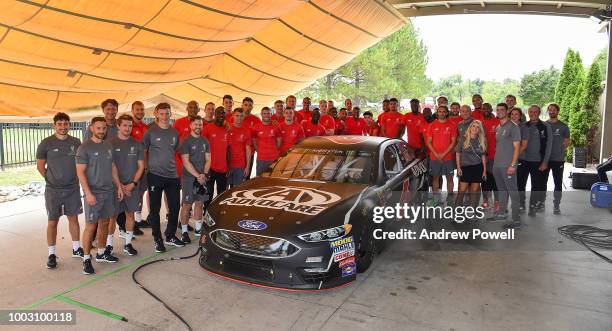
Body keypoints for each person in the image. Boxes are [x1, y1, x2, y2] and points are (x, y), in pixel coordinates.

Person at [76, 117, 124, 275]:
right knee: (90, 226)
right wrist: (88, 193)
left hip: (108, 191)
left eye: (104, 128)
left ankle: (102, 253)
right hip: (93, 193)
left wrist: (118, 186)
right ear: (92, 128)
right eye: (98, 128)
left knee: (105, 222)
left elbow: (112, 167)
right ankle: (86, 258)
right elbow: (80, 172)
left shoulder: (108, 146)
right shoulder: (84, 148)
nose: (102, 131)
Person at [36, 112, 83, 269]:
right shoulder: (46, 143)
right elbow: (40, 166)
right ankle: (51, 254)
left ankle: (76, 248)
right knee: (52, 221)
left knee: (73, 219)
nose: (63, 127)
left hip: (72, 188)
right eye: (60, 124)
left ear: (69, 125)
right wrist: (51, 179)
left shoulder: (76, 142)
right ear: (54, 125)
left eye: (66, 123)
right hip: (53, 190)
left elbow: (82, 164)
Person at [143, 103, 184, 253]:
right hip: (155, 176)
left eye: (167, 114)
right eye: (162, 114)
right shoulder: (150, 132)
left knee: (174, 207)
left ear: (170, 114)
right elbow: (144, 151)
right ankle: (157, 240)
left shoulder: (174, 132)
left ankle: (170, 235)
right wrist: (147, 169)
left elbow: (174, 151)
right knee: (155, 209)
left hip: (172, 176)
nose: (165, 117)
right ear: (156, 114)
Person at [108, 114, 144, 256]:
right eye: (125, 125)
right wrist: (120, 187)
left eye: (130, 125)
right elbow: (109, 166)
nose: (128, 128)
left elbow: (141, 166)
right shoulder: (110, 143)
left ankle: (128, 244)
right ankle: (109, 246)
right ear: (118, 125)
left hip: (132, 187)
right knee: (112, 216)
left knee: (130, 215)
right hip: (115, 187)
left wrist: (132, 184)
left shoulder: (137, 144)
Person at [178, 116, 211, 243]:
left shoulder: (205, 141)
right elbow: (186, 162)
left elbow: (208, 160)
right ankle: (184, 232)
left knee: (199, 203)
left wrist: (204, 174)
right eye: (196, 124)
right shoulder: (186, 142)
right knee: (187, 205)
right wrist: (198, 176)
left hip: (202, 177)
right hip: (189, 178)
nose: (198, 127)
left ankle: (198, 229)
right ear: (190, 125)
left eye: (200, 125)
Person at [492, 103, 521, 228]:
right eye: (497, 110)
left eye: (502, 110)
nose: (499, 112)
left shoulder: (513, 127)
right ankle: (502, 213)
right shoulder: (498, 128)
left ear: (507, 111)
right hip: (497, 166)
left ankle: (516, 221)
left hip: (508, 166)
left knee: (513, 192)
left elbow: (517, 148)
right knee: (502, 191)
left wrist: (513, 165)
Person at [521, 105, 553, 216]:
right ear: (528, 113)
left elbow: (549, 145)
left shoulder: (545, 126)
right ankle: (521, 204)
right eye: (530, 111)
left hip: (538, 162)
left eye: (535, 111)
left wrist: (545, 162)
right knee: (521, 184)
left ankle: (532, 207)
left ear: (539, 113)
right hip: (523, 161)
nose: (532, 113)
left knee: (536, 186)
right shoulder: (523, 126)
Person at [425, 105, 457, 206]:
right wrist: (436, 154)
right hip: (435, 157)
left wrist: (443, 154)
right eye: (440, 111)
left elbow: (453, 142)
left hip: (448, 157)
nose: (442, 113)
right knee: (435, 178)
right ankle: (436, 200)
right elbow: (429, 142)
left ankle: (450, 200)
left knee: (450, 178)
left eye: (444, 111)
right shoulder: (432, 125)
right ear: (437, 113)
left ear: (447, 113)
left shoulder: (452, 125)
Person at [202, 107, 230, 210]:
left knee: (221, 193)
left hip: (223, 168)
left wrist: (229, 167)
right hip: (210, 167)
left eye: (223, 113)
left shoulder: (227, 129)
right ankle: (206, 211)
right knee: (208, 192)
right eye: (219, 113)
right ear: (215, 114)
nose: (221, 115)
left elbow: (228, 149)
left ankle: (218, 213)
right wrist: (205, 167)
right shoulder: (207, 128)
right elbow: (202, 148)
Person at [544, 103, 570, 215]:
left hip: (558, 160)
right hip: (545, 159)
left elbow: (567, 142)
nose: (551, 112)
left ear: (557, 111)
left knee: (557, 183)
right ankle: (541, 203)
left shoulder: (563, 126)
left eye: (554, 110)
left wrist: (558, 150)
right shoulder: (544, 125)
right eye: (550, 110)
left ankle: (556, 206)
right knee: (542, 183)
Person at [455, 120, 487, 208]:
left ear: (480, 130)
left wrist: (484, 170)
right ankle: (456, 211)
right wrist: (458, 168)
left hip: (478, 168)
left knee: (474, 190)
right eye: (473, 126)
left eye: (477, 127)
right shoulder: (463, 139)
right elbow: (458, 153)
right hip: (465, 168)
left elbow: (483, 156)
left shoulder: (481, 140)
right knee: (462, 190)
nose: (475, 128)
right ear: (470, 127)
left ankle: (472, 210)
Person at [128, 101, 149, 231]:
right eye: (137, 109)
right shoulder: (128, 126)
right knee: (131, 194)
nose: (140, 112)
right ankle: (129, 224)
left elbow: (148, 149)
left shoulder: (146, 128)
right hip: (131, 168)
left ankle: (138, 219)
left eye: (142, 109)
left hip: (144, 167)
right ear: (132, 110)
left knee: (141, 193)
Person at [481, 103, 501, 212]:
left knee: (495, 180)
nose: (486, 110)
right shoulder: (479, 122)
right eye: (484, 108)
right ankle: (485, 202)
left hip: (495, 157)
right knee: (484, 181)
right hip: (482, 157)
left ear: (491, 109)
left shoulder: (497, 122)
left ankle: (497, 202)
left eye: (488, 108)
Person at [252, 107, 281, 175]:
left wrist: (273, 150)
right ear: (261, 114)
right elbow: (254, 141)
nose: (266, 115)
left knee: (273, 178)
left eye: (268, 113)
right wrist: (259, 150)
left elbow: (279, 142)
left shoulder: (276, 126)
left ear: (271, 114)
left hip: (274, 158)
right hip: (261, 159)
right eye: (264, 113)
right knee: (260, 179)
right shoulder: (256, 127)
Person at [228, 108, 252, 187]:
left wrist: (247, 167)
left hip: (240, 165)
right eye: (237, 115)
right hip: (227, 164)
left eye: (241, 116)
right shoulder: (227, 128)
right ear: (233, 116)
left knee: (236, 189)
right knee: (224, 190)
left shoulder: (246, 131)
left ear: (244, 116)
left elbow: (248, 150)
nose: (239, 118)